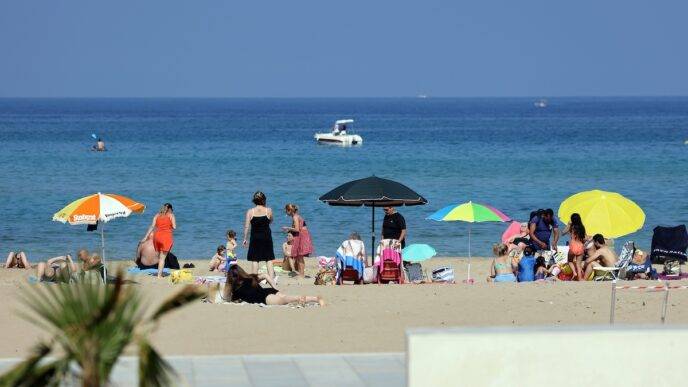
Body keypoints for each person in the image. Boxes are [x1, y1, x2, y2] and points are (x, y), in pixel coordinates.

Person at [217, 264, 325, 306]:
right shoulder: (249, 277)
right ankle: (316, 298)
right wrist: (275, 287)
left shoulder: (236, 290)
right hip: (269, 291)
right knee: (285, 297)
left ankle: (310, 298)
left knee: (288, 299)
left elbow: (226, 297)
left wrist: (227, 286)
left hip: (266, 298)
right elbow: (265, 275)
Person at [243, 191, 276, 280]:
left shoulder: (250, 211)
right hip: (266, 237)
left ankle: (254, 281)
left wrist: (245, 239)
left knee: (255, 259)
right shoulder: (268, 210)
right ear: (264, 200)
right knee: (268, 259)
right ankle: (272, 280)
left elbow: (246, 226)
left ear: (254, 201)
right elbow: (271, 221)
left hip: (255, 238)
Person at [141, 203, 176, 278]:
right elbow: (174, 226)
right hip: (166, 237)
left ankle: (159, 272)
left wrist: (145, 237)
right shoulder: (171, 215)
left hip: (157, 237)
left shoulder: (157, 215)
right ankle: (159, 275)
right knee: (162, 258)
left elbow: (152, 226)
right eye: (171, 210)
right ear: (170, 209)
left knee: (160, 257)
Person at [281, 203, 313, 278]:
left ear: (290, 211)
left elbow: (297, 229)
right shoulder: (296, 216)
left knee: (300, 256)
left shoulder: (295, 217)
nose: (286, 212)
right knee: (299, 256)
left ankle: (301, 274)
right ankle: (301, 273)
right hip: (302, 235)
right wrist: (290, 230)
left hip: (302, 236)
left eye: (286, 211)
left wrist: (287, 228)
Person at [562, 213, 587, 280]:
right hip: (580, 246)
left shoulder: (572, 227)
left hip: (573, 246)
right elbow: (585, 238)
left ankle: (574, 272)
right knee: (578, 265)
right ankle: (580, 278)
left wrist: (568, 225)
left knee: (570, 261)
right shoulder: (582, 227)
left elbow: (563, 233)